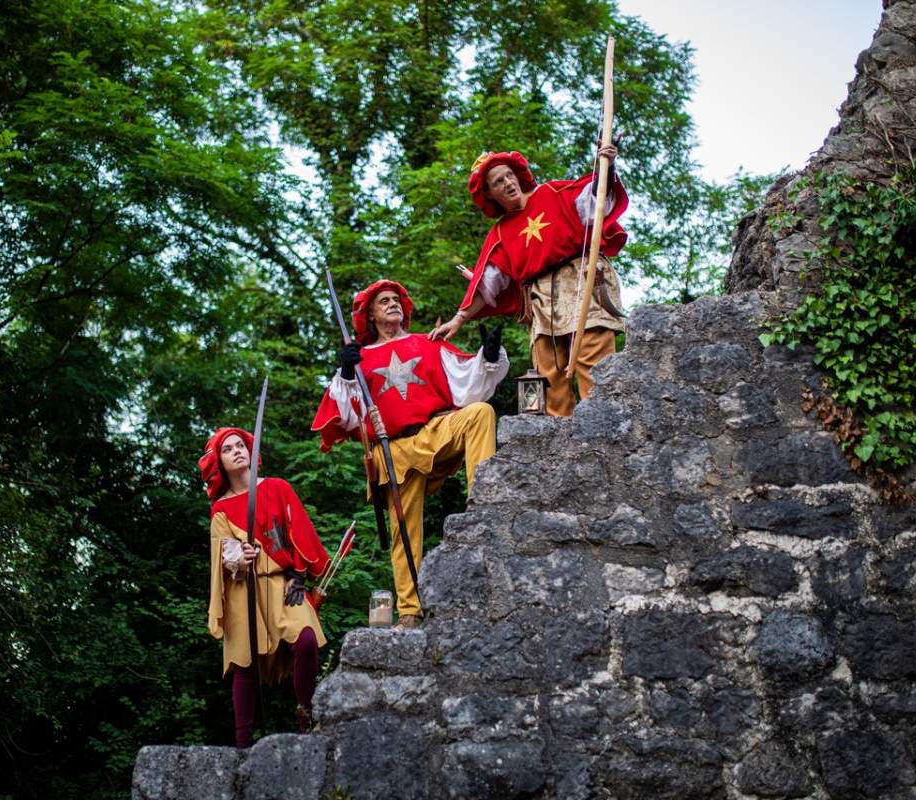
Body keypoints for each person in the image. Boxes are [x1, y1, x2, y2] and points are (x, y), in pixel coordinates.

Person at [312, 279, 507, 628]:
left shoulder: (425, 343)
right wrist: (345, 371)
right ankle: (409, 611)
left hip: (434, 429)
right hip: (393, 448)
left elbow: (467, 383)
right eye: (383, 302)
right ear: (370, 315)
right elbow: (342, 414)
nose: (392, 304)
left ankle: (484, 503)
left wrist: (489, 357)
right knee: (404, 532)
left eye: (395, 299)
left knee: (480, 413)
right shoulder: (360, 359)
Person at [429, 145, 628, 417]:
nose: (508, 183)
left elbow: (595, 199)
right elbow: (487, 284)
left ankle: (607, 429)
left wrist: (607, 166)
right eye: (498, 182)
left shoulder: (552, 193)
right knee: (549, 378)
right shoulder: (500, 232)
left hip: (580, 283)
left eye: (509, 175)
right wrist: (459, 318)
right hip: (540, 301)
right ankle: (559, 449)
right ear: (489, 194)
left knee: (594, 365)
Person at [200, 427, 330, 748]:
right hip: (245, 589)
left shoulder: (277, 488)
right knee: (245, 664)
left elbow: (298, 531)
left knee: (306, 641)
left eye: (241, 445)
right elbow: (223, 552)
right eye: (228, 449)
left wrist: (298, 577)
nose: (238, 451)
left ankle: (306, 718)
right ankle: (243, 746)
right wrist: (238, 556)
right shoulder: (221, 509)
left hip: (284, 583)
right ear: (220, 462)